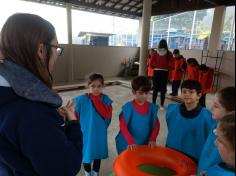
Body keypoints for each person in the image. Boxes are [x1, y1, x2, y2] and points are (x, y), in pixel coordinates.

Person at [0, 13, 82, 176]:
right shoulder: (32, 113)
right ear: (41, 50)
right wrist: (72, 124)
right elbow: (65, 168)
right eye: (56, 48)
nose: (56, 56)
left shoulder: (7, 94)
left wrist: (52, 122)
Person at [165, 80, 215, 162]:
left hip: (193, 156)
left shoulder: (207, 116)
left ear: (199, 96)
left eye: (191, 92)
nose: (187, 94)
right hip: (172, 150)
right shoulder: (172, 110)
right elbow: (171, 127)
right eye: (184, 92)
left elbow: (210, 139)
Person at [74, 73, 113, 176]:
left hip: (99, 133)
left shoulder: (106, 100)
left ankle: (95, 172)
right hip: (85, 133)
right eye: (93, 86)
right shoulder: (81, 100)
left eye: (99, 86)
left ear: (103, 86)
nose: (96, 89)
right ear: (88, 86)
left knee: (97, 153)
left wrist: (102, 128)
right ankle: (87, 172)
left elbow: (108, 116)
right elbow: (75, 117)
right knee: (86, 153)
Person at [115, 76, 160, 154]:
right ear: (133, 92)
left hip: (145, 142)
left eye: (147, 93)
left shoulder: (151, 108)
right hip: (130, 143)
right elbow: (123, 126)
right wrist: (130, 141)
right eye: (141, 93)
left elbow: (156, 125)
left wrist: (152, 139)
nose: (144, 96)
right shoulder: (128, 107)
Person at [197, 87, 235, 175]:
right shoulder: (215, 123)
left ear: (231, 113)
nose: (211, 108)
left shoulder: (230, 138)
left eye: (216, 106)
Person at [150, 39, 173, 110]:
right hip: (165, 72)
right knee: (163, 89)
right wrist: (168, 68)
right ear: (166, 44)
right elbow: (172, 64)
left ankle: (153, 104)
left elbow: (151, 62)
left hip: (156, 72)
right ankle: (162, 105)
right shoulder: (169, 53)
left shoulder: (155, 52)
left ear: (159, 44)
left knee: (155, 88)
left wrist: (154, 67)